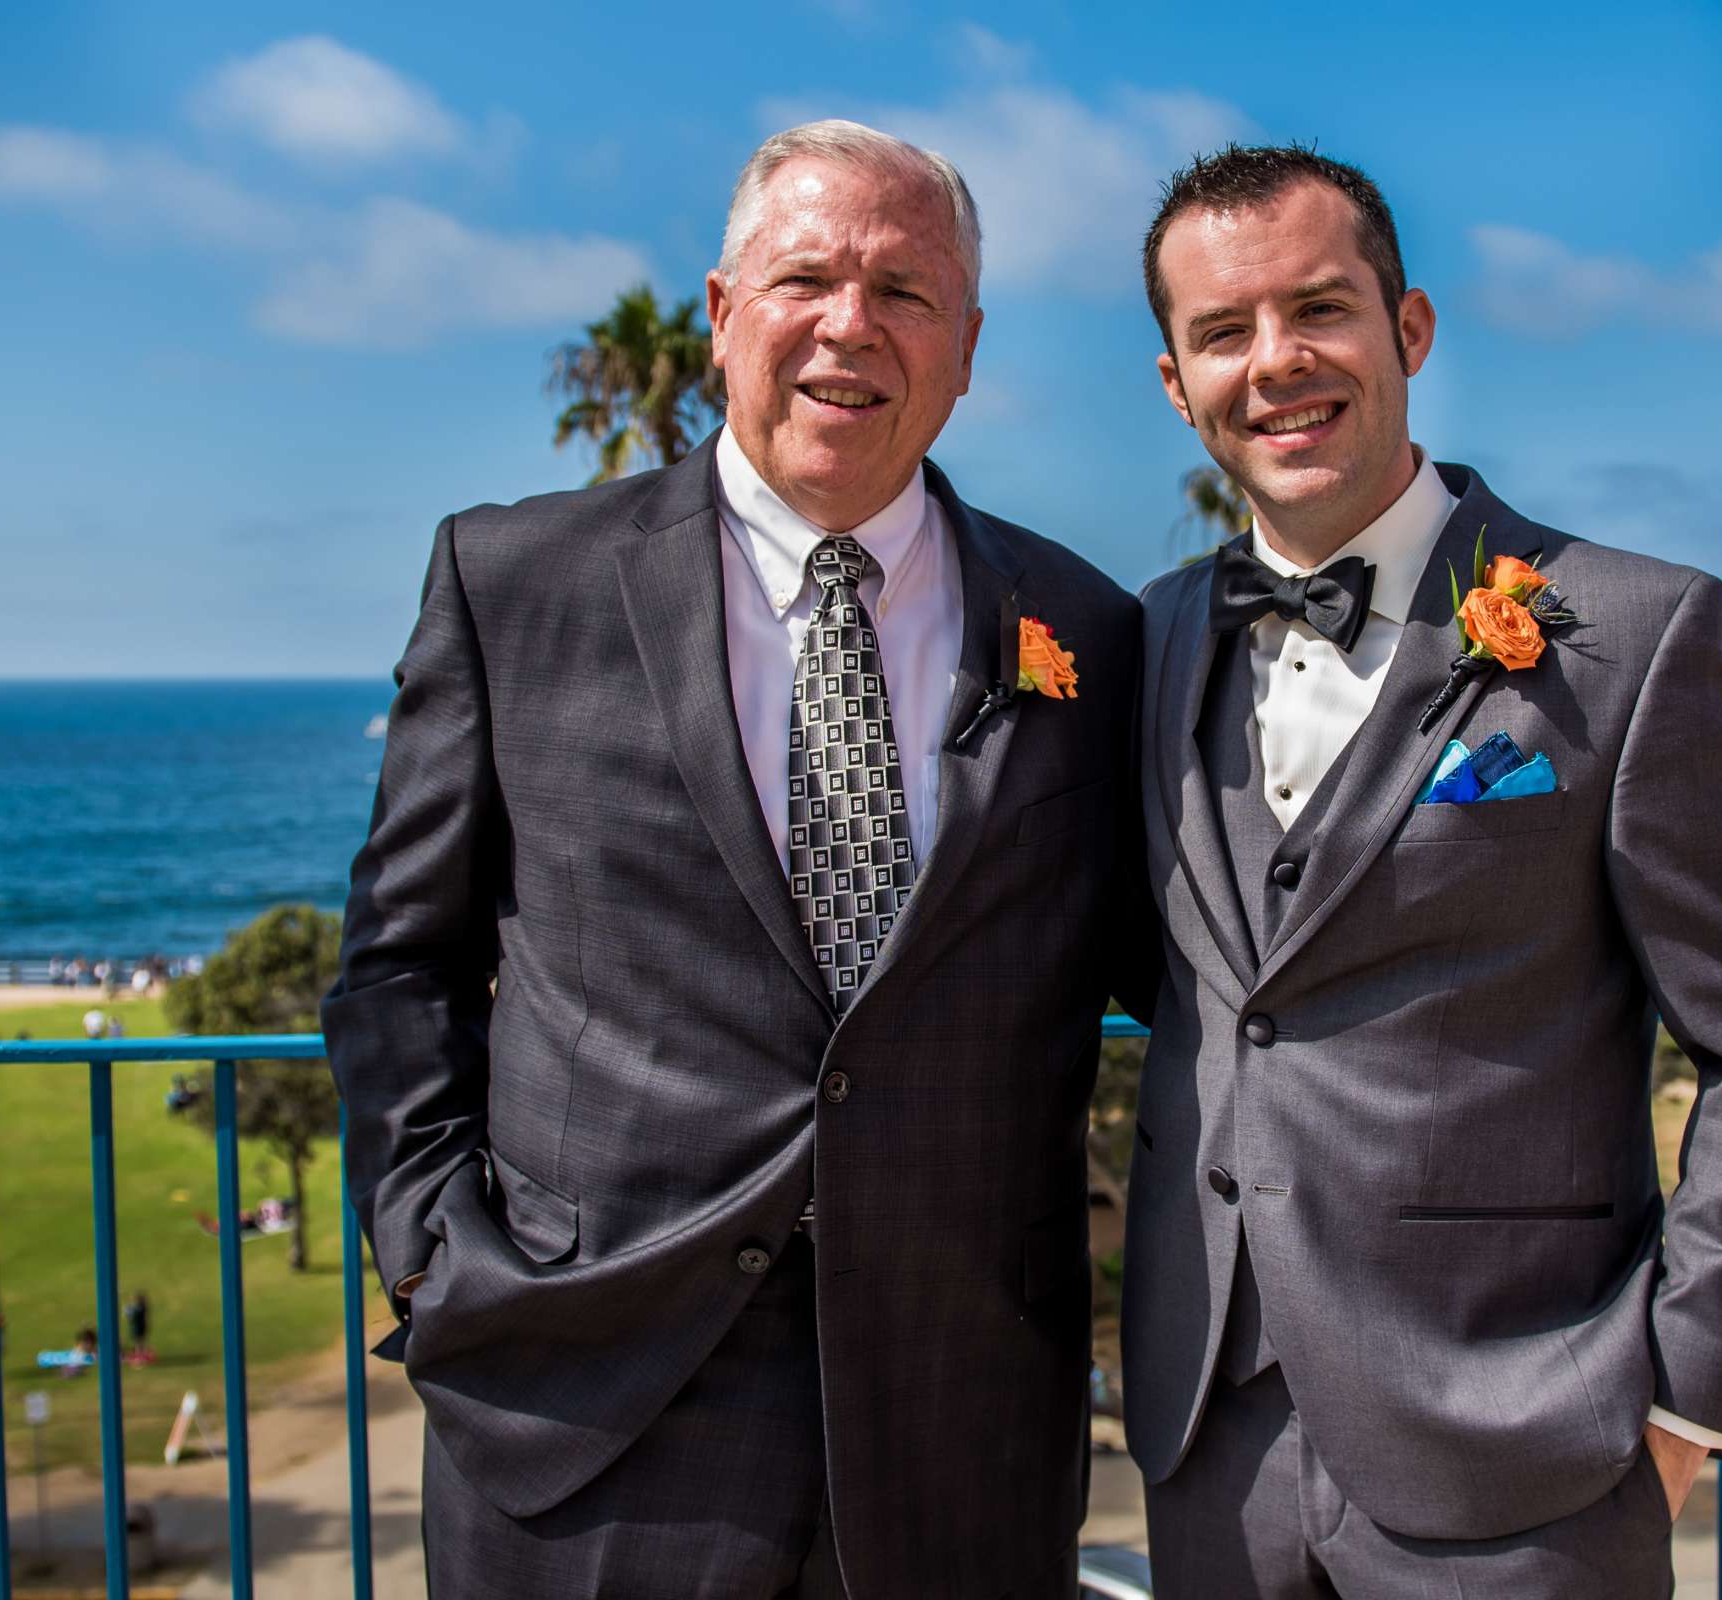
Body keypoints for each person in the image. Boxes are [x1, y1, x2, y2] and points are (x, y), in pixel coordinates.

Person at [323, 120, 1152, 1600]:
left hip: (957, 1439)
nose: (852, 325)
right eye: (807, 279)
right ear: (720, 316)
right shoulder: (516, 582)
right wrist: (434, 1255)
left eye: (905, 292)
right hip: (587, 1415)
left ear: (965, 350)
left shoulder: (1085, 628)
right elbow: (401, 961)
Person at [1120, 143, 1722, 1599]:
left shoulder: (1638, 634)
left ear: (1409, 329)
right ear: (1174, 382)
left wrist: (1686, 1404)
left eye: (1319, 310)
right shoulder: (1138, 642)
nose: (1275, 364)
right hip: (1211, 1437)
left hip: (1532, 1453)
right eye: (1223, 332)